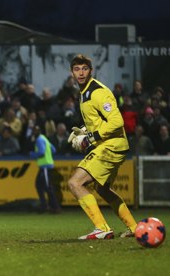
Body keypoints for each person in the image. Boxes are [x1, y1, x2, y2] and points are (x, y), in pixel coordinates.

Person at [67, 54, 137, 240]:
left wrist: (90, 138)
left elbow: (117, 121)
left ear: (91, 71)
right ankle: (134, 227)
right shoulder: (85, 92)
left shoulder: (97, 91)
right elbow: (100, 121)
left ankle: (101, 228)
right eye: (77, 69)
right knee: (102, 189)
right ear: (71, 72)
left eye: (84, 69)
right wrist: (85, 130)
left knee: (75, 183)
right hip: (113, 144)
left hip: (111, 144)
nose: (81, 73)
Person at [29, 126, 61, 214]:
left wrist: (32, 154)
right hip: (46, 166)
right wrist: (49, 156)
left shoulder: (39, 140)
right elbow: (53, 150)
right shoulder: (44, 138)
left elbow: (42, 152)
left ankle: (54, 207)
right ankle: (45, 206)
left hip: (45, 167)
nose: (34, 133)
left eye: (35, 131)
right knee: (39, 185)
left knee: (47, 187)